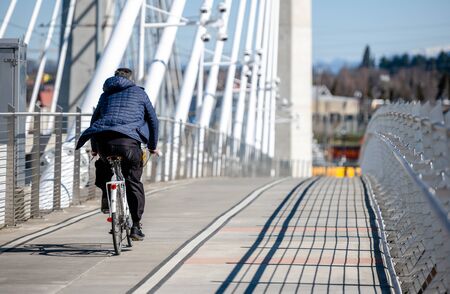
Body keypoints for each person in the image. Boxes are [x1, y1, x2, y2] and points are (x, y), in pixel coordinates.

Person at [76, 68, 159, 241]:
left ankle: (107, 197)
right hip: (128, 143)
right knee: (133, 181)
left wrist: (95, 148)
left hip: (104, 142)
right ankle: (135, 227)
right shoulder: (139, 93)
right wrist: (152, 145)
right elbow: (153, 120)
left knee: (103, 164)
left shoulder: (105, 94)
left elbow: (95, 121)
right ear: (130, 79)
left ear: (114, 78)